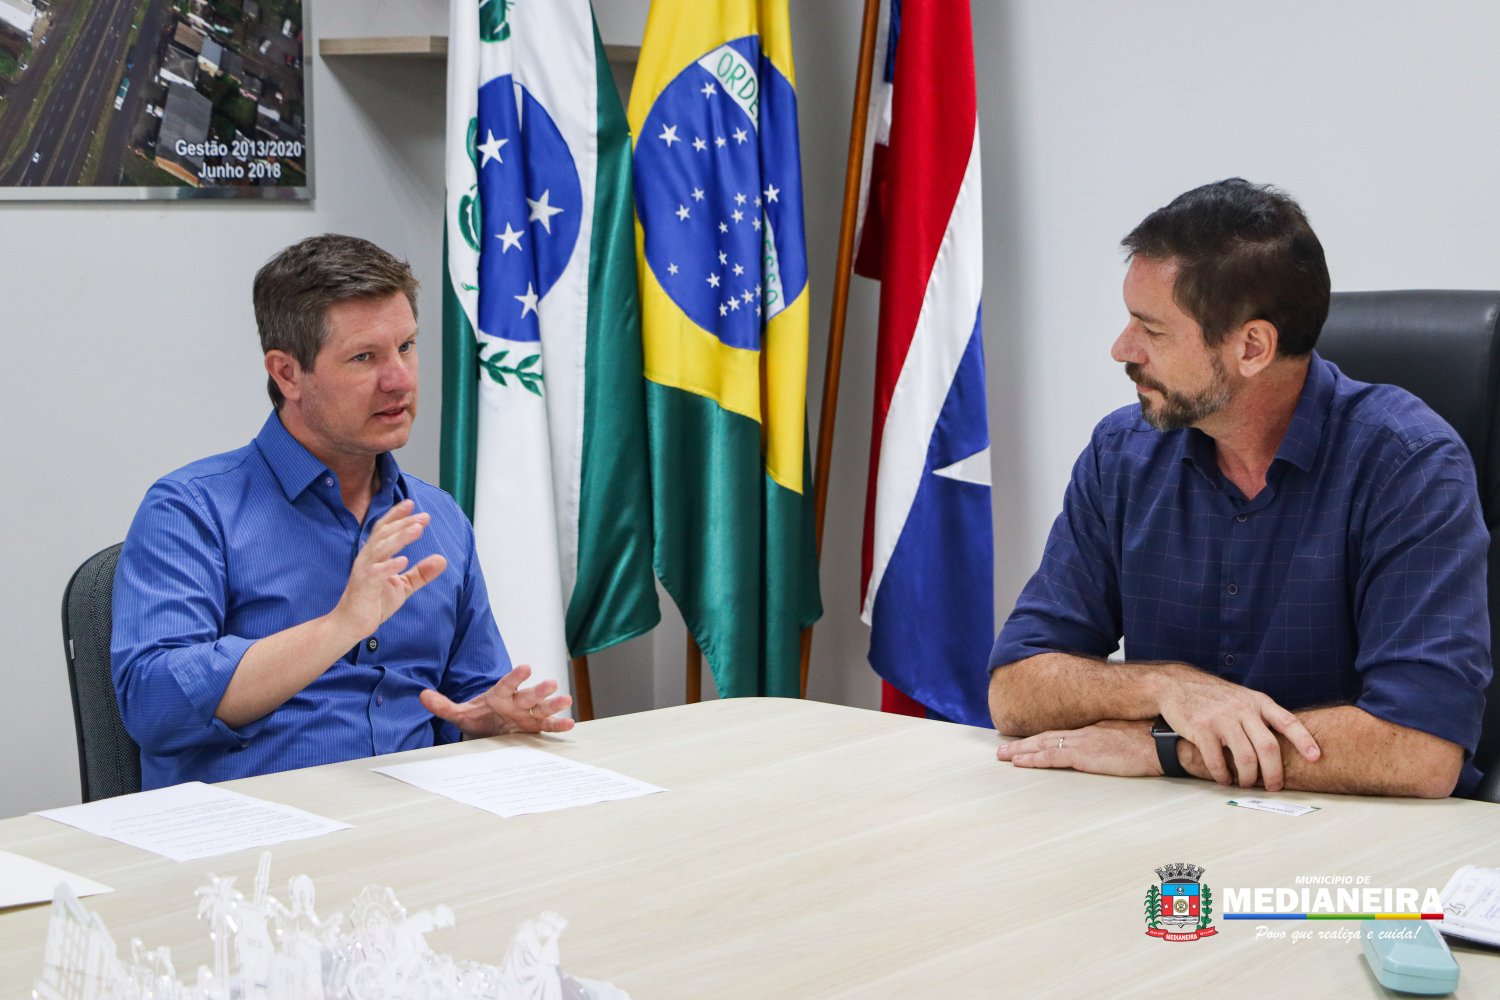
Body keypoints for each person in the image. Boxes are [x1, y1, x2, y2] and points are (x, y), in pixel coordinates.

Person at [988, 179, 1491, 798]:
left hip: (1362, 838)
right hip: (1170, 822)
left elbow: (1419, 750)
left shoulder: (1408, 466)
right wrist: (1165, 687)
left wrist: (1168, 749)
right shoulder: (1122, 453)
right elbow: (1015, 688)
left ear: (1252, 347)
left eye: (1153, 330)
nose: (1122, 348)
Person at [113, 234, 572, 790]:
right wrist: (339, 626)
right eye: (364, 357)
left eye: (406, 346)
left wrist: (488, 721)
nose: (400, 379)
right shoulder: (190, 509)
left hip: (416, 815)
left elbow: (470, 696)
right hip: (260, 828)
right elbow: (154, 705)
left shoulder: (438, 517)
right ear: (287, 374)